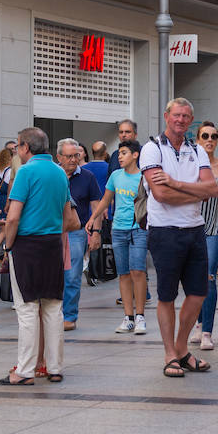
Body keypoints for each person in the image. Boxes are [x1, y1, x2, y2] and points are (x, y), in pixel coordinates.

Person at [140, 98, 218, 378]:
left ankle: (182, 348)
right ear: (166, 116)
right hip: (164, 230)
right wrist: (193, 190)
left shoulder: (196, 149)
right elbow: (160, 195)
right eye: (177, 115)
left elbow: (212, 189)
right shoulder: (152, 149)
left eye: (186, 116)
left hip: (195, 228)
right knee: (166, 295)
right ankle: (169, 354)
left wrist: (175, 183)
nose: (181, 120)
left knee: (198, 293)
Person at [0, 128, 74, 386]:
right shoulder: (59, 173)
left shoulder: (25, 172)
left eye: (18, 147)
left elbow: (13, 216)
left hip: (27, 245)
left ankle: (25, 370)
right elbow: (68, 216)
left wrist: (8, 246)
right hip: (53, 243)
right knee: (53, 307)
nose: (17, 151)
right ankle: (54, 367)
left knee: (27, 308)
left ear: (25, 148)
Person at [92, 139, 146, 335]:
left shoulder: (143, 177)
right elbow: (106, 199)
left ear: (135, 155)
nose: (120, 157)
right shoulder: (115, 175)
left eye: (124, 153)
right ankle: (128, 317)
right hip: (118, 229)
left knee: (137, 271)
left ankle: (140, 317)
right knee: (123, 273)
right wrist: (93, 218)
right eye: (119, 153)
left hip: (139, 229)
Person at [58, 138, 101, 332]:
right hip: (51, 232)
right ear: (59, 157)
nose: (73, 160)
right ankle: (52, 314)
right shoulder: (53, 175)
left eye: (76, 155)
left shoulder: (88, 176)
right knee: (51, 275)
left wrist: (96, 232)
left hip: (77, 232)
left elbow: (96, 207)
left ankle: (69, 315)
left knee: (73, 276)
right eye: (69, 156)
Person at [195, 122, 218, 352]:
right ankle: (198, 322)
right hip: (191, 227)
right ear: (197, 139)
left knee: (208, 277)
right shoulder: (191, 165)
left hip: (215, 229)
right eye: (205, 135)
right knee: (193, 279)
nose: (210, 139)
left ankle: (207, 331)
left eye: (214, 136)